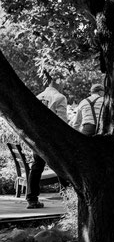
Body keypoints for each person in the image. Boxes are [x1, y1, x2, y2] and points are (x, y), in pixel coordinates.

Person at [26, 75, 68, 209]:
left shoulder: (38, 97)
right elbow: (62, 123)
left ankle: (32, 199)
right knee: (62, 166)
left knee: (37, 167)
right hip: (53, 139)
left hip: (37, 138)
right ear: (56, 81)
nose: (64, 83)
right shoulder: (60, 97)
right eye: (63, 81)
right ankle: (68, 197)